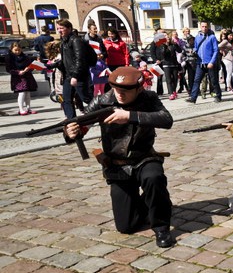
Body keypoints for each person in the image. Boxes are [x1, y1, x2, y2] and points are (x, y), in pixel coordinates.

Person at [64, 66, 175, 247]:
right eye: (116, 89)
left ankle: (161, 227)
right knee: (126, 226)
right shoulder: (102, 101)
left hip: (144, 157)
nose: (120, 94)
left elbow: (166, 119)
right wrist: (71, 132)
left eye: (125, 91)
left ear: (139, 89)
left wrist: (130, 115)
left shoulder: (149, 98)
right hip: (116, 164)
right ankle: (150, 203)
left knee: (154, 178)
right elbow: (82, 124)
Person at [57, 18, 94, 119]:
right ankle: (71, 121)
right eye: (58, 28)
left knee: (86, 98)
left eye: (61, 28)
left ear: (69, 28)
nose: (59, 30)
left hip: (78, 75)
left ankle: (102, 113)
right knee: (67, 99)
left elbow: (80, 59)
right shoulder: (63, 41)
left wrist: (75, 75)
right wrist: (55, 65)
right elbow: (67, 59)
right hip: (68, 76)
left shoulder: (76, 40)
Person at [187, 21, 221, 103]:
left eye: (206, 26)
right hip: (200, 62)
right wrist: (194, 51)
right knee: (196, 80)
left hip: (209, 62)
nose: (204, 28)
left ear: (208, 27)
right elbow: (195, 47)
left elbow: (216, 51)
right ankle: (193, 98)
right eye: (202, 26)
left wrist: (212, 62)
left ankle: (218, 96)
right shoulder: (197, 37)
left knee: (213, 81)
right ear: (200, 27)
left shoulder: (212, 37)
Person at [5, 42, 39, 115]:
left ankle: (28, 108)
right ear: (11, 49)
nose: (17, 52)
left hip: (27, 76)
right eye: (15, 50)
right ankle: (21, 109)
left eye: (19, 50)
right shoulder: (9, 57)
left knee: (27, 93)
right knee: (22, 93)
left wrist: (28, 69)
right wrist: (18, 72)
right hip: (18, 78)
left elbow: (31, 66)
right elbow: (8, 69)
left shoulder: (25, 57)